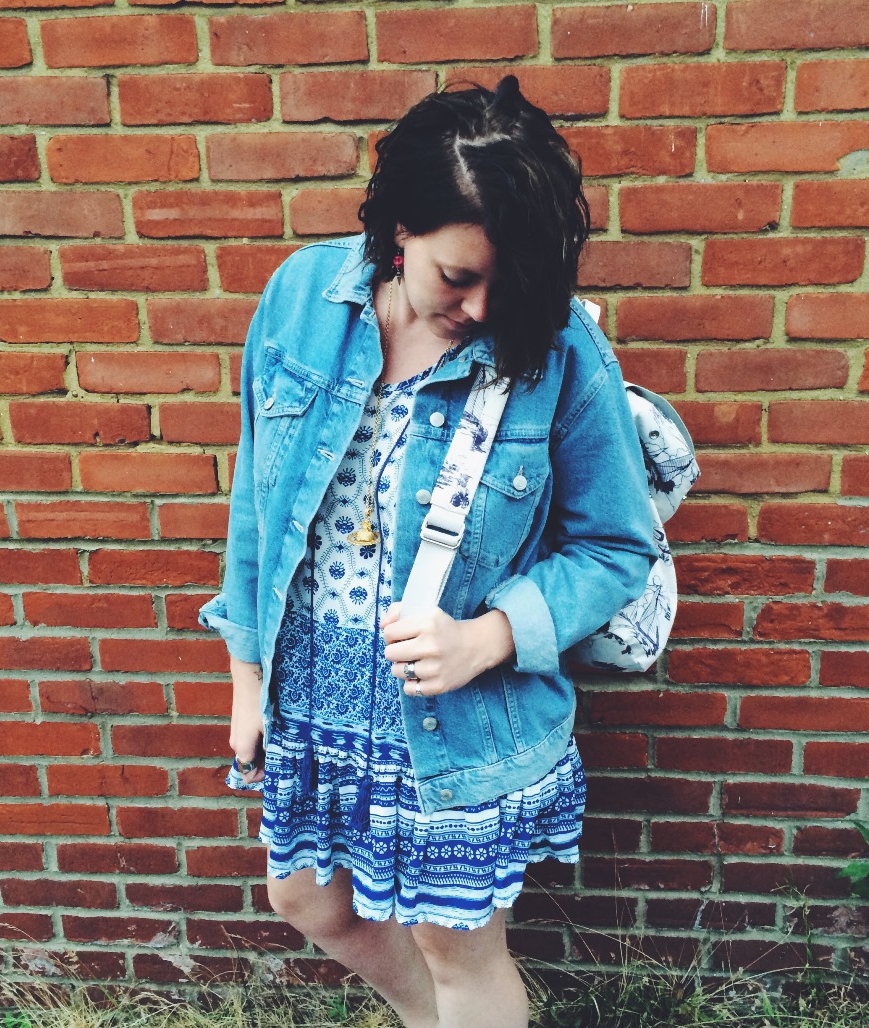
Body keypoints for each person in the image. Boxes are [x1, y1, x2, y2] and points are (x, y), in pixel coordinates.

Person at [200, 76, 656, 1028]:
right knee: (305, 898)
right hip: (313, 691)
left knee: (457, 949)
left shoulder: (561, 351)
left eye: (506, 281)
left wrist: (488, 638)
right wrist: (247, 678)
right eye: (458, 278)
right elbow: (256, 503)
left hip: (454, 714)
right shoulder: (302, 298)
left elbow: (617, 547)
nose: (485, 307)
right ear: (399, 231)